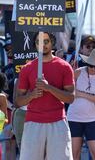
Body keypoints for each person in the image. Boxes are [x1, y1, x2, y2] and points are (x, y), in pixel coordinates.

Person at [15, 32, 75, 160]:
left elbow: (71, 98)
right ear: (35, 45)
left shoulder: (65, 67)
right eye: (39, 42)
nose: (43, 45)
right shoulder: (27, 68)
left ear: (52, 43)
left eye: (46, 41)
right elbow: (18, 102)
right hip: (33, 123)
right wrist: (32, 95)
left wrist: (48, 88)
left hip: (58, 122)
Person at [67, 48, 95, 160]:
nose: (93, 69)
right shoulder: (77, 71)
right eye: (91, 65)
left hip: (93, 119)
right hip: (74, 118)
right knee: (74, 155)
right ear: (87, 62)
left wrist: (80, 93)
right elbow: (69, 92)